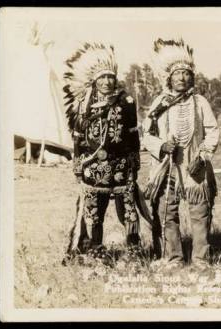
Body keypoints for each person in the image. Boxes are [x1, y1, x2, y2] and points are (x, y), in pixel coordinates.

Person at [143, 38, 219, 270]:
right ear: (169, 77)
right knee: (167, 212)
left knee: (200, 212)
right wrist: (161, 146)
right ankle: (173, 257)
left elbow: (213, 131)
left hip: (194, 164)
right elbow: (146, 134)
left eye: (186, 73)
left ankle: (200, 259)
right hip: (167, 165)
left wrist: (203, 154)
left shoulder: (200, 102)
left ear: (191, 77)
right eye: (177, 74)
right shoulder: (160, 103)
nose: (182, 78)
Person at [63, 43, 141, 261]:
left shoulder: (126, 102)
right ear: (94, 80)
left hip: (121, 166)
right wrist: (78, 167)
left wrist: (134, 163)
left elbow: (133, 135)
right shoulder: (84, 103)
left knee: (128, 211)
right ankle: (95, 250)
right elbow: (78, 137)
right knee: (94, 212)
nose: (107, 82)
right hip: (92, 166)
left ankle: (134, 252)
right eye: (102, 78)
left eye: (110, 77)